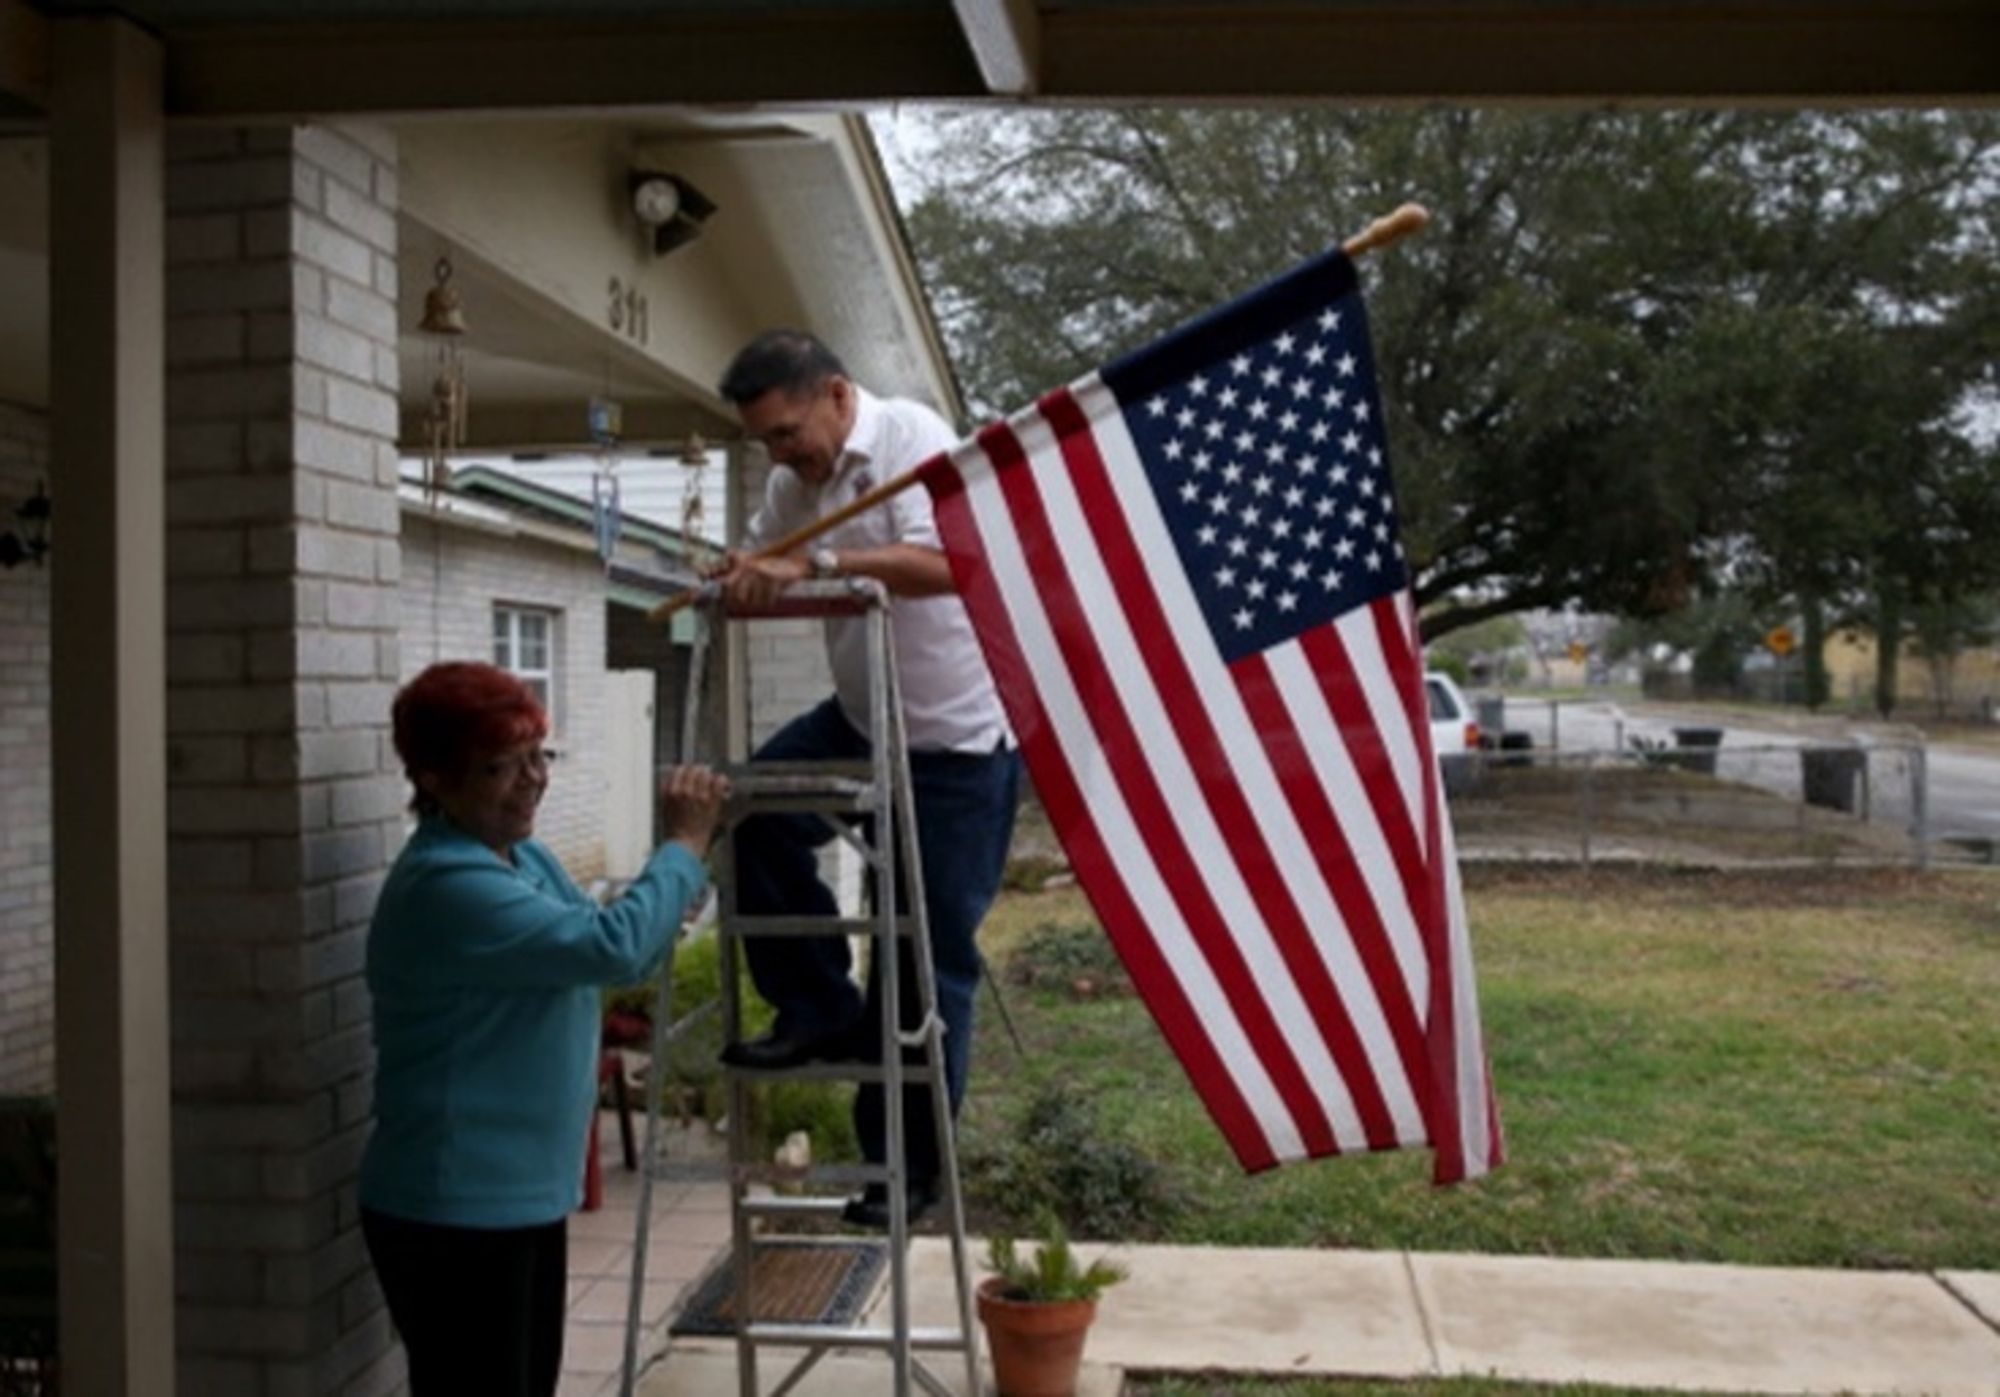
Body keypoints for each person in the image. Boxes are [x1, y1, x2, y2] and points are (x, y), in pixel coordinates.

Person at [712, 330, 1022, 1228]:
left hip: (954, 743)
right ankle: (816, 1006)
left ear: (838, 395)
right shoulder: (789, 486)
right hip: (859, 720)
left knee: (922, 965)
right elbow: (765, 557)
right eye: (764, 440)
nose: (782, 453)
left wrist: (819, 563)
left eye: (788, 431)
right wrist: (737, 574)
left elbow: (949, 565)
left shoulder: (913, 439)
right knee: (752, 809)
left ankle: (903, 1175)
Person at [358, 661, 729, 1397]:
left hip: (517, 1193)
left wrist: (664, 897)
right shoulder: (448, 884)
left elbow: (611, 946)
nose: (531, 779)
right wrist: (683, 847)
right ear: (433, 779)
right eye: (499, 765)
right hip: (454, 1203)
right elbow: (613, 946)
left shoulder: (519, 857)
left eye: (538, 756)